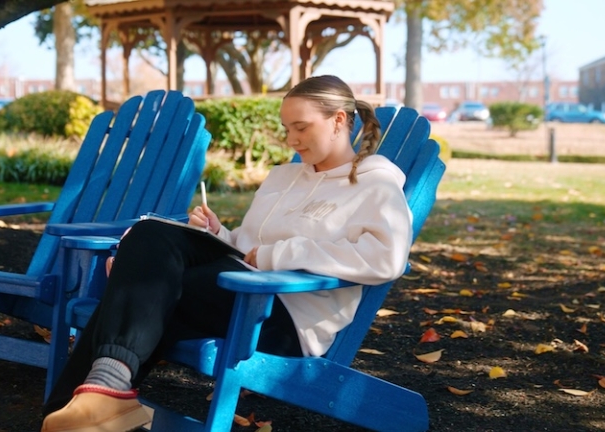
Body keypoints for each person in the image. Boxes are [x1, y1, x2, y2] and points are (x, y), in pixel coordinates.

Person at [40, 75, 413, 432]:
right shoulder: (283, 178)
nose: (292, 139)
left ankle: (79, 407)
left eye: (301, 127)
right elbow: (248, 247)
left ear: (339, 120)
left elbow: (387, 258)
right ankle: (98, 398)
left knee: (143, 285)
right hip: (232, 289)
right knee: (150, 235)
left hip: (283, 315)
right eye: (287, 129)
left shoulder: (375, 182)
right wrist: (219, 234)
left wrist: (280, 254)